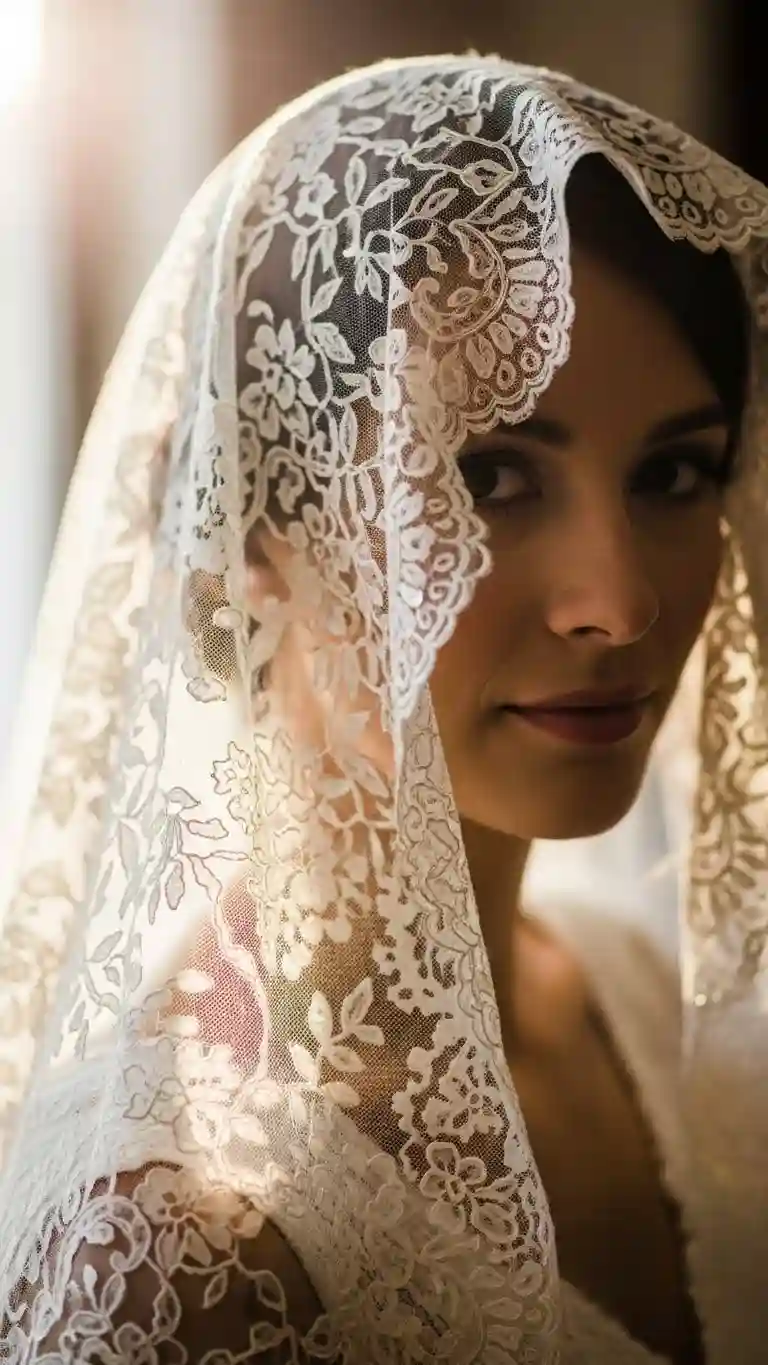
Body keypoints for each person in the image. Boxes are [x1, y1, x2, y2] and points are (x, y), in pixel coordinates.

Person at [0, 55, 766, 1365]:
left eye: (675, 472)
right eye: (491, 480)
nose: (621, 602)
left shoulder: (652, 1005)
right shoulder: (180, 1252)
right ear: (256, 543)